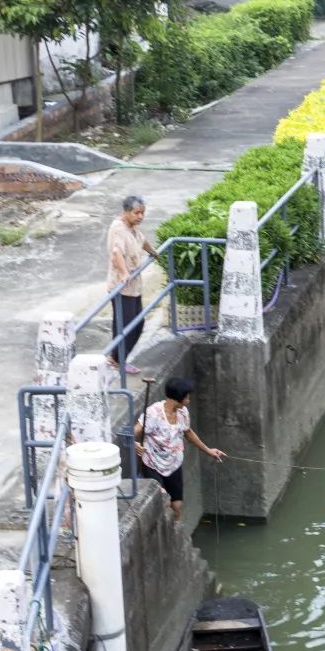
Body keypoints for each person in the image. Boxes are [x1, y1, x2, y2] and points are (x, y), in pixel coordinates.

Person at [135, 376, 225, 522]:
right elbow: (135, 431)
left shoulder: (182, 413)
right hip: (153, 464)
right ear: (178, 397)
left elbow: (188, 432)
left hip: (173, 464)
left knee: (177, 506)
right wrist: (134, 444)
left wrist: (208, 450)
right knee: (164, 501)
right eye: (187, 397)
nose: (188, 400)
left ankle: (175, 532)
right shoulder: (154, 413)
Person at [106, 195, 159, 376]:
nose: (140, 217)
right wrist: (123, 273)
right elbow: (116, 253)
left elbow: (141, 240)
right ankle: (117, 360)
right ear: (126, 212)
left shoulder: (133, 228)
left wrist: (152, 251)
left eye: (142, 213)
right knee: (127, 325)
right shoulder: (119, 228)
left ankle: (116, 358)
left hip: (134, 286)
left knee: (137, 322)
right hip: (122, 286)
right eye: (136, 213)